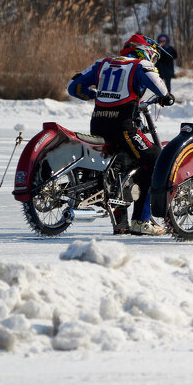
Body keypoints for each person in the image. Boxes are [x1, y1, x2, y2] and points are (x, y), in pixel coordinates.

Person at [68, 33, 175, 235]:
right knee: (155, 160)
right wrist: (167, 98)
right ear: (147, 51)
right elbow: (161, 90)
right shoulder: (140, 65)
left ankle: (121, 223)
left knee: (118, 168)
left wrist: (95, 94)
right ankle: (141, 221)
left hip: (98, 123)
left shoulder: (103, 63)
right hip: (124, 125)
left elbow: (73, 87)